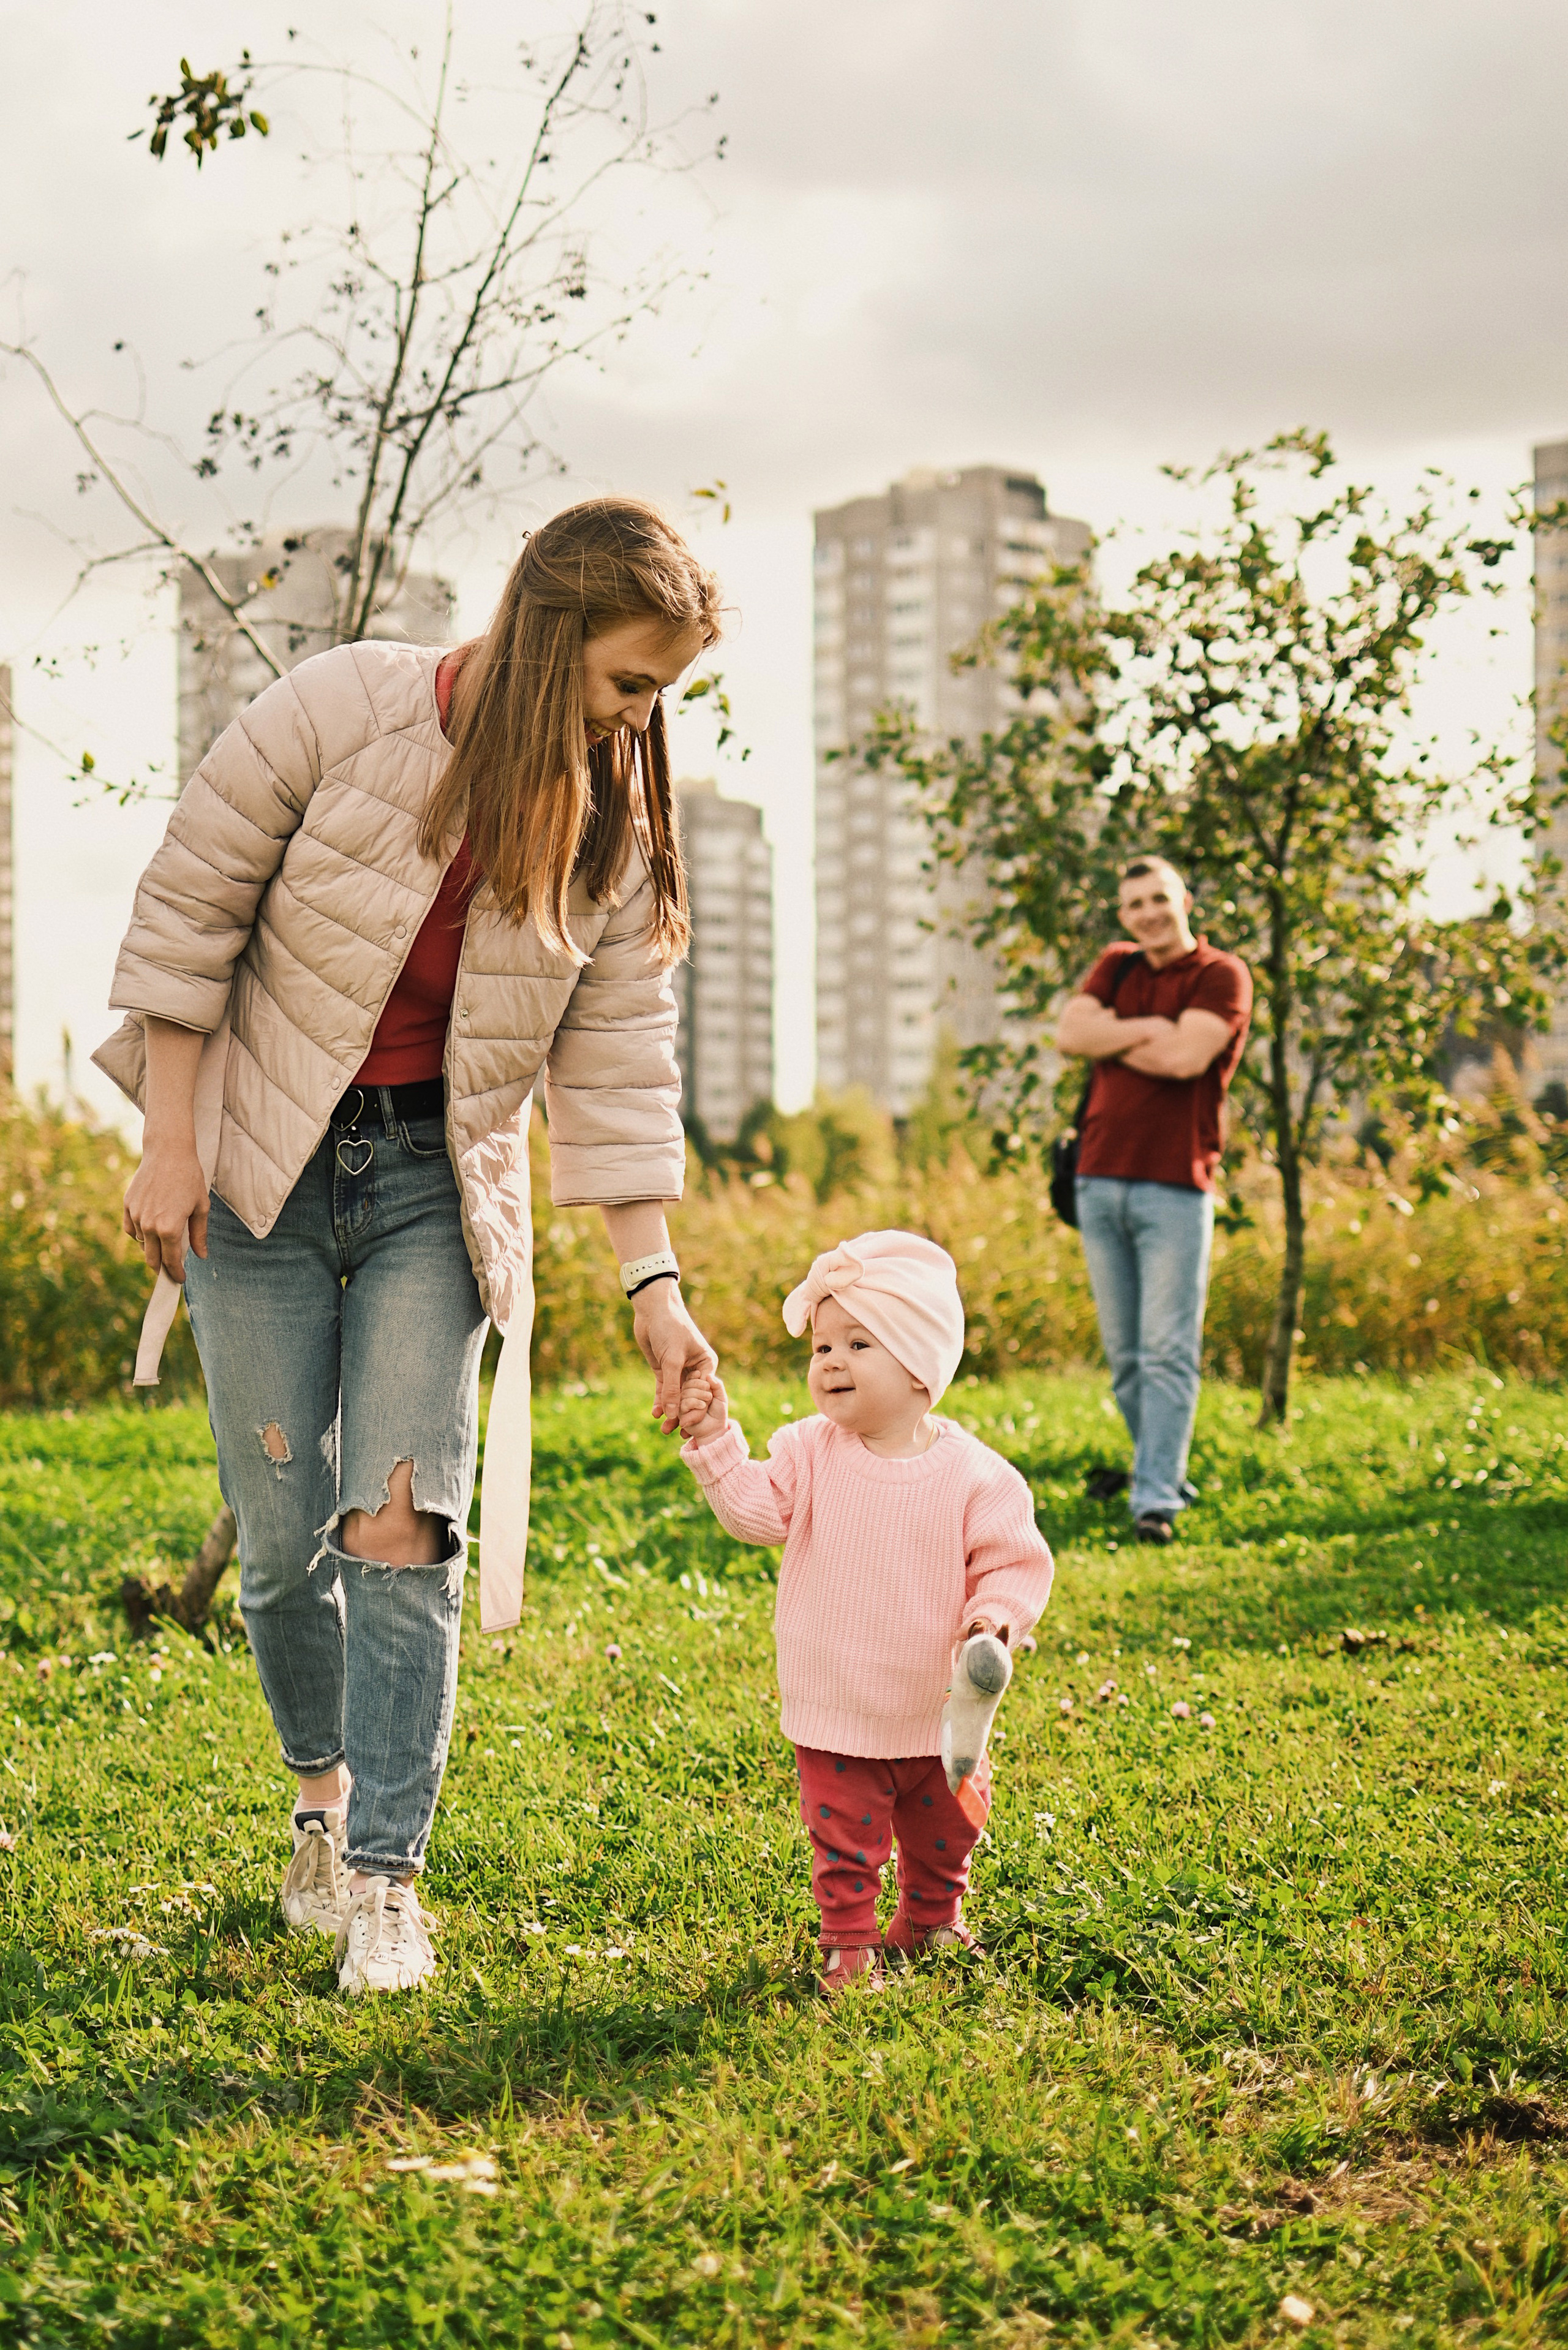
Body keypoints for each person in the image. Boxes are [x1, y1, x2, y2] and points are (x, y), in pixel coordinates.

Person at [94, 497, 722, 1996]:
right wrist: (169, 1145)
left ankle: (387, 1875)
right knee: (279, 1532)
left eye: (660, 695)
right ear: (554, 632)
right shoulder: (342, 706)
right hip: (260, 1168)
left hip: (435, 1186)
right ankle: (316, 1805)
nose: (642, 722)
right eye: (631, 683)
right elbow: (191, 918)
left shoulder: (610, 829)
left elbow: (617, 1072)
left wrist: (656, 1290)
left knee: (400, 1523)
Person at [676, 1230, 1054, 1995]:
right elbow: (754, 1509)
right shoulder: (809, 1452)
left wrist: (992, 1624)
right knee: (844, 1836)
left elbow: (1012, 1563)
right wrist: (715, 1438)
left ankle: (930, 1916)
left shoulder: (978, 1476)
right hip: (836, 1704)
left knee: (947, 1828)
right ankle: (848, 1940)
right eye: (821, 1346)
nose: (831, 1361)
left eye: (857, 1342)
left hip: (938, 1708)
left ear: (920, 1367)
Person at [1054, 856, 1253, 1545]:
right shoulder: (1118, 963)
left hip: (1175, 1182)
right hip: (1097, 1176)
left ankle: (1155, 1499)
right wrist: (1150, 1029)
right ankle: (1158, 1468)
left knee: (1168, 1349)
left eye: (1159, 898)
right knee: (1126, 1355)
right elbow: (1071, 1034)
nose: (1148, 913)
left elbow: (1184, 1060)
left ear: (1184, 899)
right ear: (1123, 913)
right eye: (1134, 902)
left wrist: (1120, 1034)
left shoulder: (1222, 974)